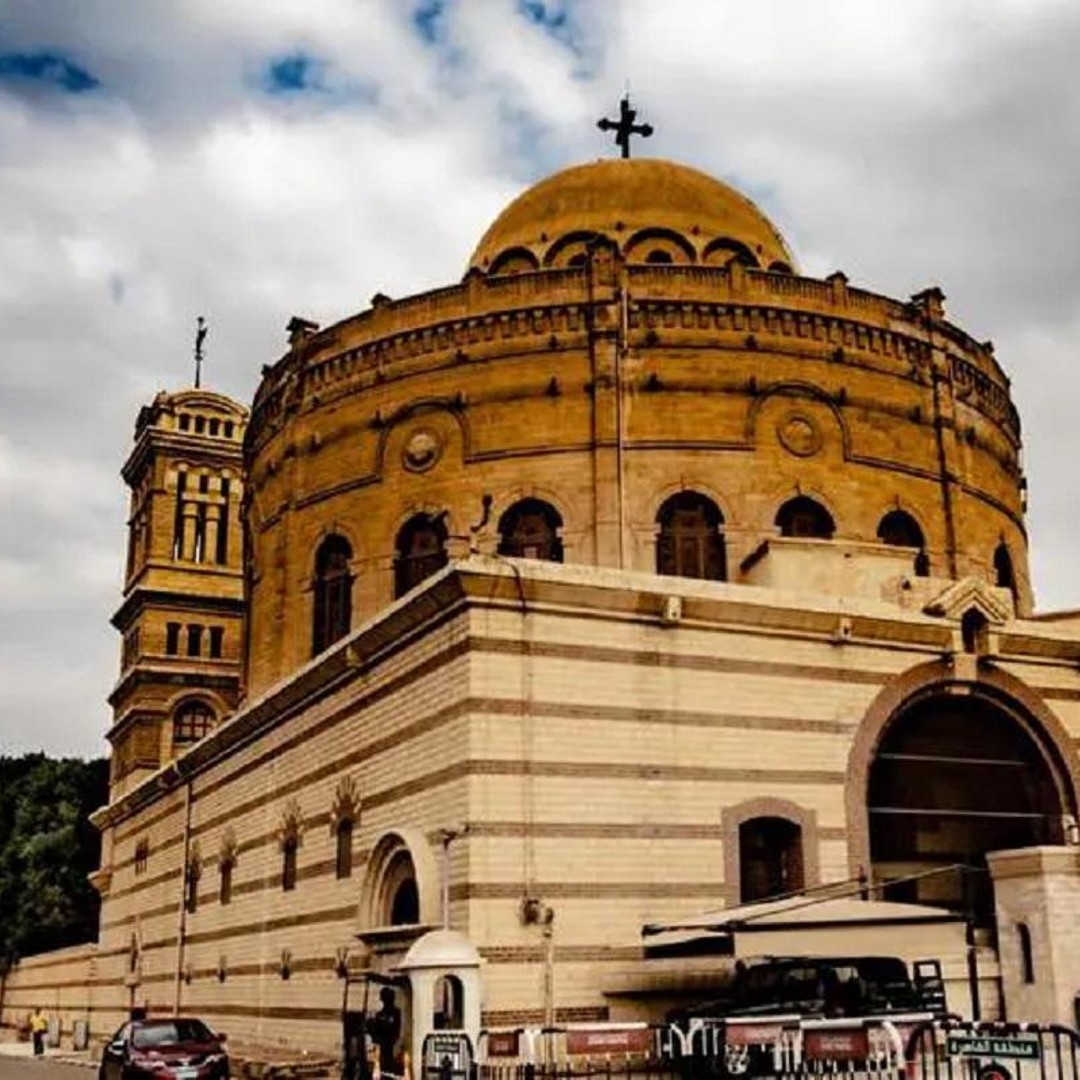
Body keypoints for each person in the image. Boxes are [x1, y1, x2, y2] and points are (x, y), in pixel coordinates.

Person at [370, 987, 402, 1077]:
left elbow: (395, 1030)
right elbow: (375, 1030)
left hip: (391, 1045)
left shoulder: (395, 1013)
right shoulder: (380, 1014)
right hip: (382, 1045)